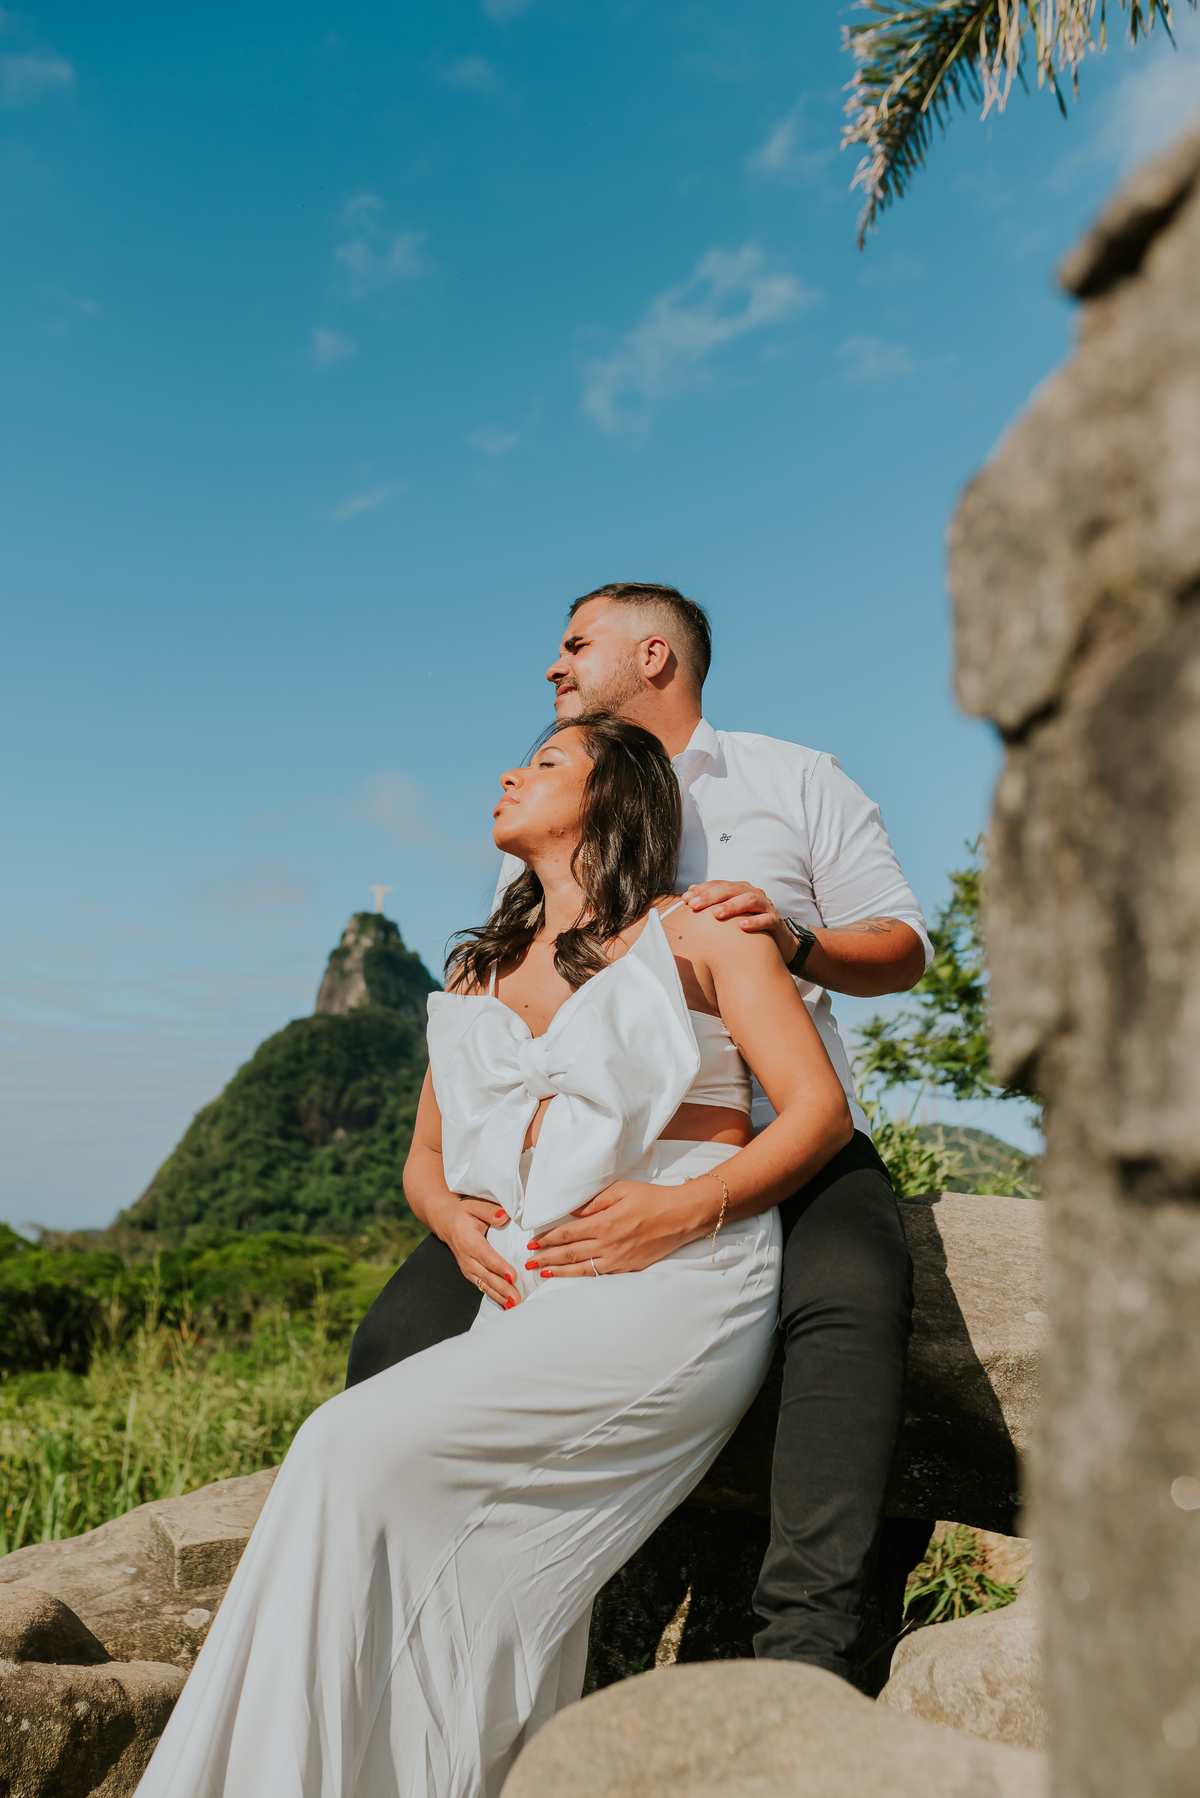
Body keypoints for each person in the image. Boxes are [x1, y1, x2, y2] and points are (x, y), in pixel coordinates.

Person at [137, 713, 853, 1798]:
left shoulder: (703, 932)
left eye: (548, 761)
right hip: (524, 1291)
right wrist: (452, 1221)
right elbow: (425, 1160)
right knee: (474, 1574)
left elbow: (817, 1113)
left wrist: (683, 1210)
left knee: (339, 1446)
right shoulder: (478, 972)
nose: (512, 774)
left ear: (613, 798)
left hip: (675, 1284)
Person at [347, 582, 932, 1681]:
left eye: (576, 644)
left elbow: (903, 948)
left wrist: (794, 940)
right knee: (393, 1343)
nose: (554, 665)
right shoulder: (548, 807)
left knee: (852, 1296)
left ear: (654, 654)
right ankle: (414, 1635)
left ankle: (801, 1654)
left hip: (776, 1124)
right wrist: (463, 1198)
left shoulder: (794, 777)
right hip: (581, 1150)